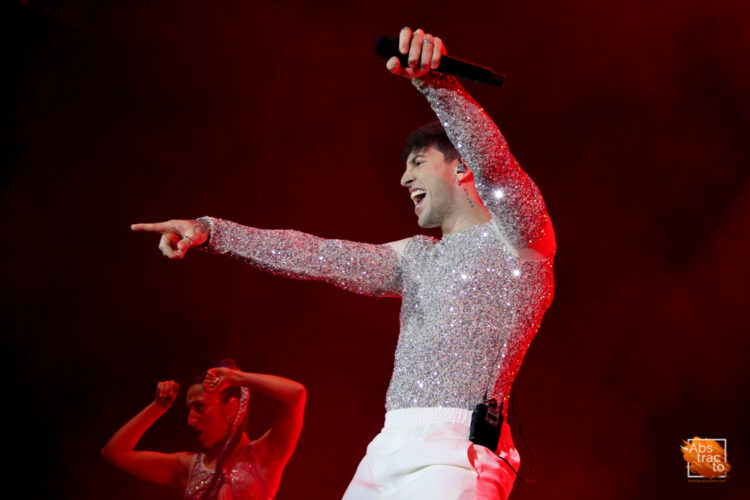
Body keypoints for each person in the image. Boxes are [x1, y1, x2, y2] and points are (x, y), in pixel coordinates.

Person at [132, 27, 555, 499]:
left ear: (461, 168)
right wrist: (215, 232)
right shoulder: (416, 257)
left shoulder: (519, 241)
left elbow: (496, 164)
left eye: (417, 161)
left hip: (458, 452)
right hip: (386, 447)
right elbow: (319, 255)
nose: (403, 177)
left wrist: (434, 81)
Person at [101, 360, 306, 499]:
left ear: (232, 408)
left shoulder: (264, 457)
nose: (190, 421)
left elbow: (296, 394)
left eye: (199, 408)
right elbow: (115, 452)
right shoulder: (188, 467)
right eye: (189, 410)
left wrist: (236, 378)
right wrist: (158, 407)